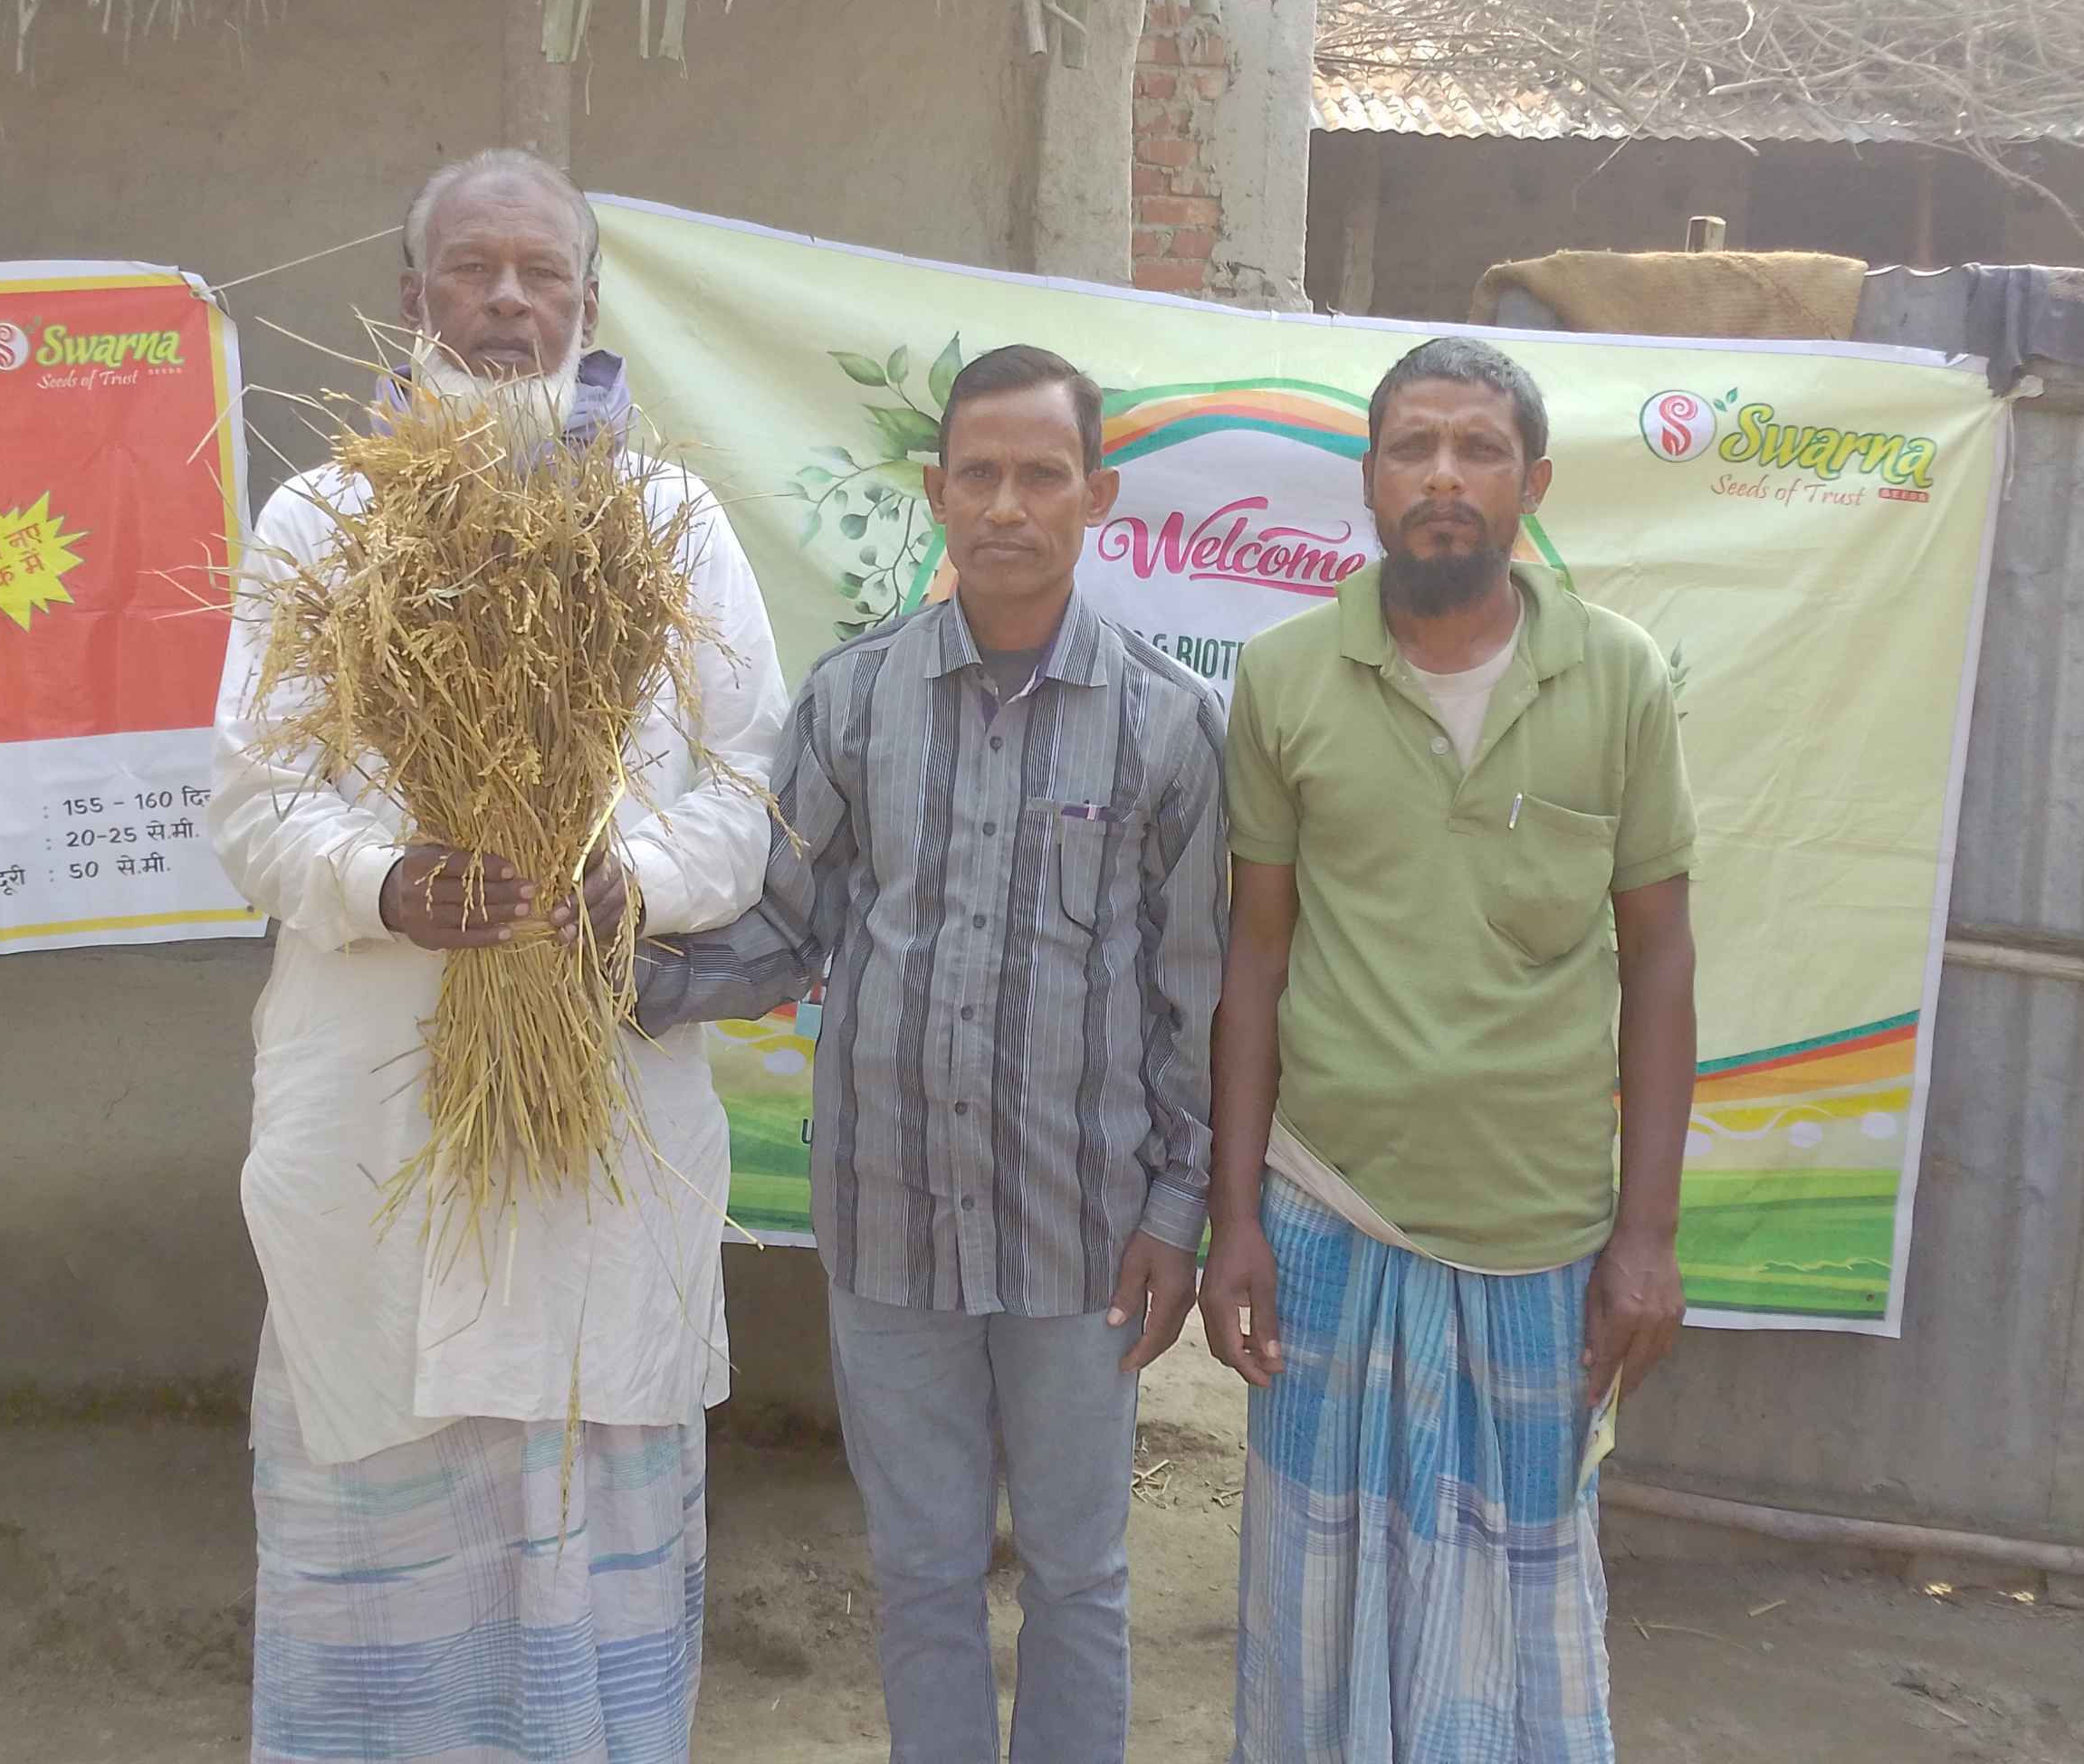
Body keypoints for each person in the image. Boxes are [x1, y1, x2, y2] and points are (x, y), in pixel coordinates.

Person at [212, 148, 789, 1764]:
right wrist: (389, 883)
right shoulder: (325, 522)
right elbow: (255, 807)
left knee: (589, 1479)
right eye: (474, 271)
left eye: (543, 275)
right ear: (414, 299)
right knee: (383, 1484)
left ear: (590, 305)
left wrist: (631, 882)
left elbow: (750, 787)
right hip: (380, 1096)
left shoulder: (668, 522)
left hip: (595, 1093)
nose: (510, 303)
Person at [636, 344, 1226, 1762]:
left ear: (1098, 496)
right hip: (889, 1224)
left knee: (1078, 1575)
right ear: (935, 490)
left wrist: (1177, 1212)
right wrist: (609, 979)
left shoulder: (1169, 723)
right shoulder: (853, 702)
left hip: (1084, 1234)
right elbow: (785, 928)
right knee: (920, 1574)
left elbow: (1196, 996)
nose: (1008, 505)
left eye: (1042, 475)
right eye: (980, 474)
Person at [1203, 335, 1699, 1763]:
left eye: (1478, 450)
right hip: (1327, 1209)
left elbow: (1661, 960)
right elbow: (1255, 956)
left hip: (1538, 1235)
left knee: (1512, 1625)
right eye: (1412, 447)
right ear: (1369, 480)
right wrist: (1235, 1218)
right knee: (1318, 1611)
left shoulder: (1619, 678)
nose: (1442, 477)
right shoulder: (1285, 677)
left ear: (1531, 485)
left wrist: (1648, 1235)